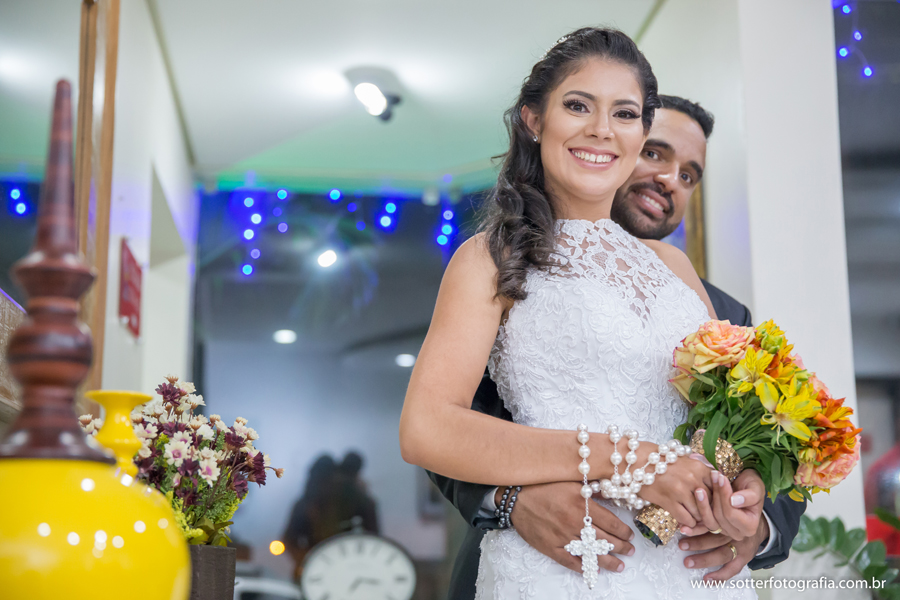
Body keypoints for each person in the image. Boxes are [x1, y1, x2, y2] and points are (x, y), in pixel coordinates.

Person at [400, 27, 762, 598]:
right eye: (577, 106)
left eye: (624, 113)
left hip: (690, 573)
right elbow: (427, 428)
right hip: (567, 568)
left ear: (641, 132)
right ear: (533, 120)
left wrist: (743, 495)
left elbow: (721, 422)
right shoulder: (489, 258)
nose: (600, 129)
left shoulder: (674, 266)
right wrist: (629, 460)